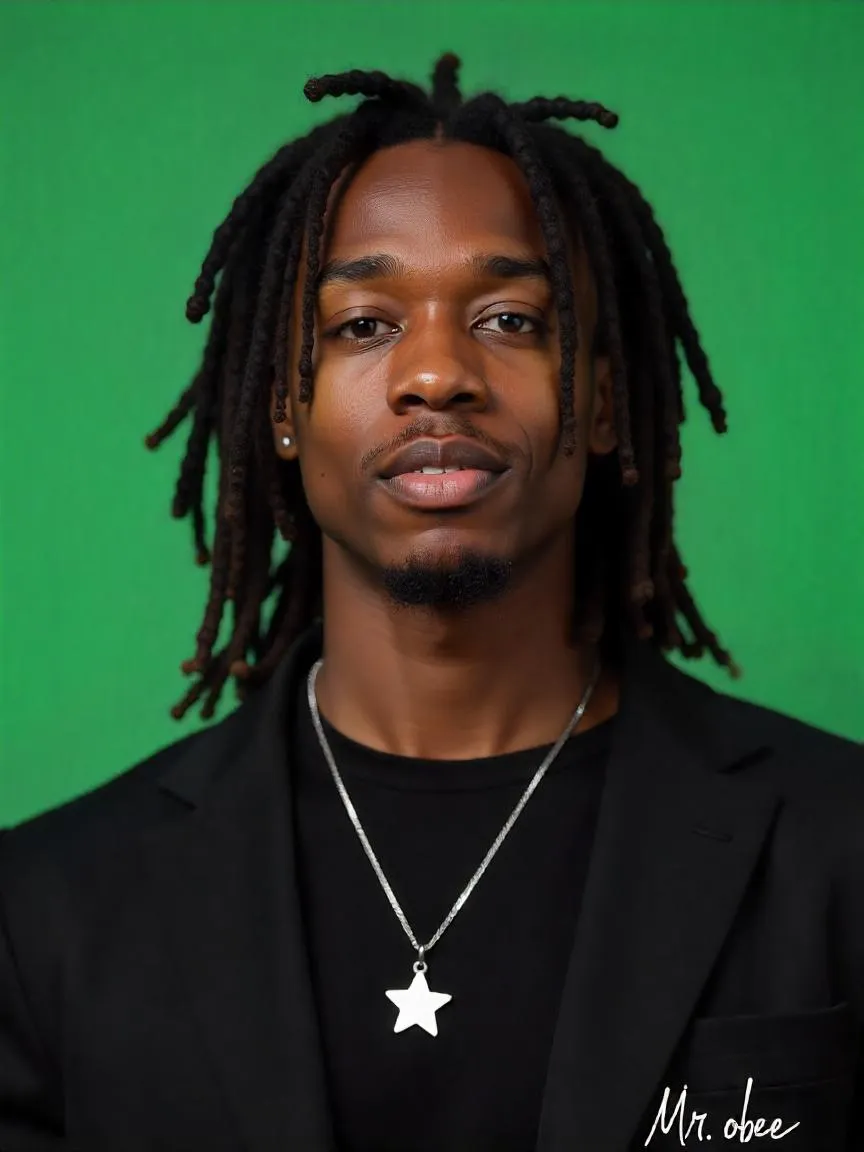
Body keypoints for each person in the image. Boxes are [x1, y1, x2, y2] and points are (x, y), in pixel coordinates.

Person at [0, 52, 861, 1152]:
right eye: (364, 325)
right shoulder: (47, 910)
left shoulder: (839, 847)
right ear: (282, 406)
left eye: (510, 319)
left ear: (602, 403)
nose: (437, 373)